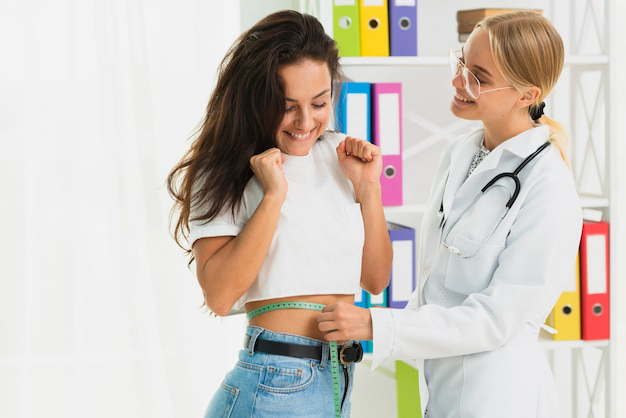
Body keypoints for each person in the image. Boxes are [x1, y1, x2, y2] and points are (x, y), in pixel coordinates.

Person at [317, 11, 582, 418]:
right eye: (461, 63)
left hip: (499, 398)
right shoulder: (460, 153)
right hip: (440, 390)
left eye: (479, 77)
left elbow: (496, 321)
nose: (459, 82)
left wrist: (378, 326)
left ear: (527, 95)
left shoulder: (549, 186)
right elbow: (435, 286)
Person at [167, 10, 392, 418]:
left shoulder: (341, 155)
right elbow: (220, 296)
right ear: (257, 99)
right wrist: (273, 197)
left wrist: (369, 189)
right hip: (275, 382)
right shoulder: (223, 170)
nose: (306, 122)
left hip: (338, 377)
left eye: (319, 103)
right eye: (286, 107)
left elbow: (375, 281)